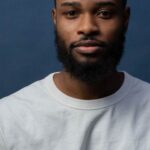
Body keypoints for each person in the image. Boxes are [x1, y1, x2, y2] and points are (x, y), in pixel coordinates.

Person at [0, 0, 150, 149]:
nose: (87, 28)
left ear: (125, 19)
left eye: (105, 13)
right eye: (72, 13)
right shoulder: (8, 120)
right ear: (55, 18)